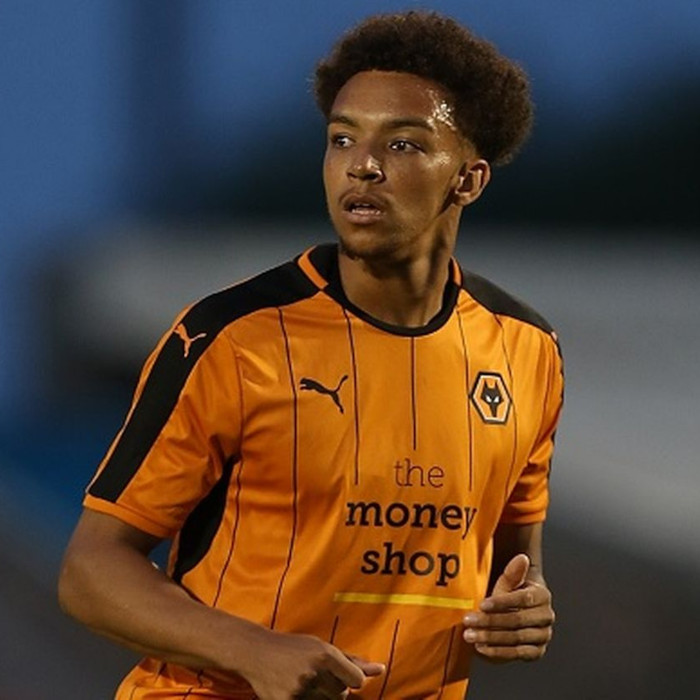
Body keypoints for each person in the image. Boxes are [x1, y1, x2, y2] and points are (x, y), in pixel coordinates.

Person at [59, 10, 563, 700]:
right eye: (342, 138)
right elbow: (90, 569)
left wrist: (525, 612)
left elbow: (513, 569)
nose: (362, 164)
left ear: (468, 180)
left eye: (403, 144)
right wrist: (253, 651)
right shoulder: (233, 337)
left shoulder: (528, 349)